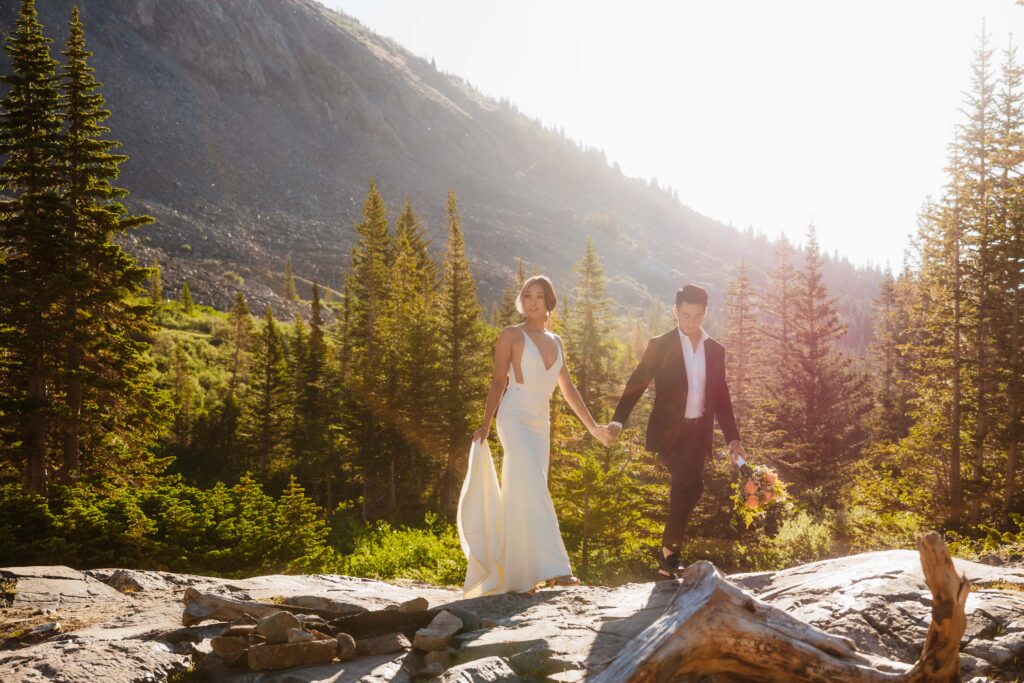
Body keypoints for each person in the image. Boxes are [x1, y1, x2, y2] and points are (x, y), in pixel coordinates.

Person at [457, 275, 612, 596]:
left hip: (541, 423)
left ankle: (520, 574)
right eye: (527, 295)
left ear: (549, 303)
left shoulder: (556, 341)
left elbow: (567, 388)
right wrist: (486, 422)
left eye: (539, 296)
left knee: (526, 491)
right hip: (513, 415)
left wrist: (593, 427)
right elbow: (498, 380)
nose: (531, 301)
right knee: (533, 487)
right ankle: (557, 569)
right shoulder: (511, 335)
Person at [605, 284, 748, 577]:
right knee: (691, 485)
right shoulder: (661, 344)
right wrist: (617, 422)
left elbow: (721, 397)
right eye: (686, 315)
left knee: (686, 490)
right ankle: (669, 555)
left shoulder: (715, 349)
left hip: (699, 434)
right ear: (675, 312)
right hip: (669, 433)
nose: (692, 322)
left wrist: (734, 438)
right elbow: (638, 381)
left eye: (697, 316)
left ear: (705, 313)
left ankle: (667, 560)